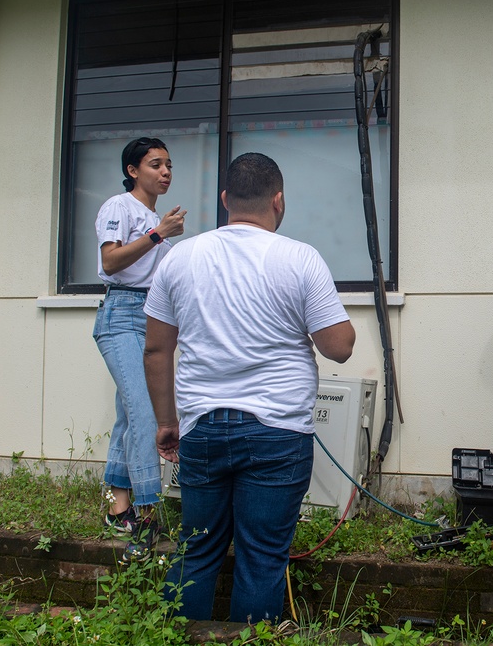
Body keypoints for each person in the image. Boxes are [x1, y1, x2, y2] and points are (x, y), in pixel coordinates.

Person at [143, 152, 356, 624]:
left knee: (196, 548)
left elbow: (156, 351)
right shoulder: (300, 258)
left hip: (201, 428)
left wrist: (166, 423)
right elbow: (339, 347)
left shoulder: (180, 258)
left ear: (225, 200)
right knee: (262, 558)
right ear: (278, 201)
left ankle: (175, 636)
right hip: (278, 432)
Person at [93, 137, 186, 553]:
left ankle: (118, 507)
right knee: (148, 411)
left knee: (129, 415)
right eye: (155, 164)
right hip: (120, 316)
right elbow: (110, 261)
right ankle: (148, 516)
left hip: (149, 318)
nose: (165, 172)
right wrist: (157, 233)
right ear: (133, 170)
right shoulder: (120, 207)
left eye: (168, 165)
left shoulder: (155, 222)